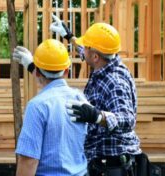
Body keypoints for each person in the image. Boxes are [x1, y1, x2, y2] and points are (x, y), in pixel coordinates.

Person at [50, 15, 142, 175]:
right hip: (102, 161)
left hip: (112, 165)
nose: (82, 49)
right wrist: (70, 37)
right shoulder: (105, 62)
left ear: (95, 57)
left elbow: (128, 119)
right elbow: (86, 52)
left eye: (86, 47)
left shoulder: (115, 82)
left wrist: (98, 116)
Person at [13, 39, 88, 176]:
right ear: (66, 71)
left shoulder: (37, 107)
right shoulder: (80, 99)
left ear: (36, 72)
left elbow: (29, 161)